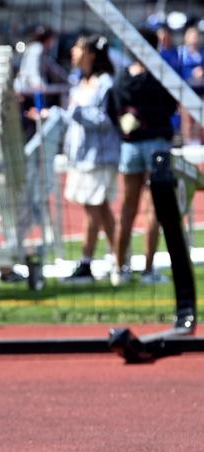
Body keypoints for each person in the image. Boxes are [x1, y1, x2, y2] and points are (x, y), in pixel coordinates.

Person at [105, 27, 177, 286]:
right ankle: (147, 269)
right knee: (154, 209)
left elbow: (112, 108)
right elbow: (172, 104)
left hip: (130, 147)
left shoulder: (123, 78)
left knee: (127, 207)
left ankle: (119, 268)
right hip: (155, 145)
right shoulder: (160, 75)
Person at [57, 34, 120, 283]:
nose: (73, 51)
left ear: (91, 54)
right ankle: (119, 259)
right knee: (100, 209)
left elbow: (108, 120)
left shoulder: (106, 83)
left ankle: (86, 263)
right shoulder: (80, 81)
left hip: (100, 156)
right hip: (81, 156)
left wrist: (78, 114)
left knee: (94, 209)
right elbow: (75, 118)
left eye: (78, 48)